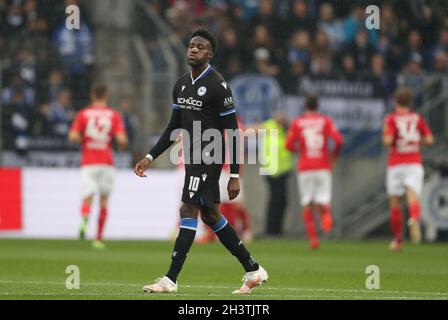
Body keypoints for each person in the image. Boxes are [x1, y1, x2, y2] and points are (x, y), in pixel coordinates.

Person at [134, 29, 268, 294]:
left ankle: (170, 280)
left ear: (210, 54)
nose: (193, 49)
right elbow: (174, 127)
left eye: (200, 47)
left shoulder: (219, 86)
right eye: (191, 45)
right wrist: (150, 156)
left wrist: (234, 174)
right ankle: (253, 269)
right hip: (192, 158)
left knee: (187, 210)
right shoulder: (181, 85)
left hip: (210, 158)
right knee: (210, 215)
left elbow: (232, 133)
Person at [68, 84, 128, 249]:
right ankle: (99, 238)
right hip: (106, 162)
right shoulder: (113, 115)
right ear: (106, 96)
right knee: (104, 200)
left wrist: (84, 140)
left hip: (89, 161)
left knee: (87, 197)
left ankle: (85, 219)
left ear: (92, 96)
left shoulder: (83, 114)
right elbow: (122, 139)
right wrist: (119, 145)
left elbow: (73, 136)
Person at [285, 95, 343, 249]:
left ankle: (313, 239)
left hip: (305, 166)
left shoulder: (298, 122)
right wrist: (334, 155)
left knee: (307, 203)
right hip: (323, 164)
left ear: (305, 106)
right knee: (322, 200)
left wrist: (300, 150)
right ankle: (326, 216)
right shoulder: (326, 121)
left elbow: (288, 144)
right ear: (318, 106)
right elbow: (338, 140)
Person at [383, 87, 434, 251]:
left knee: (395, 202)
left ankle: (398, 240)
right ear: (409, 102)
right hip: (414, 161)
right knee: (412, 195)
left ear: (395, 102)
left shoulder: (391, 119)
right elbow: (430, 139)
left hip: (396, 163)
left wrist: (389, 135)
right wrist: (415, 140)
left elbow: (387, 141)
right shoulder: (417, 118)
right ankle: (414, 218)